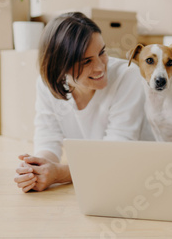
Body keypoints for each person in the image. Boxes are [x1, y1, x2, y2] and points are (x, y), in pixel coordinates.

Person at [14, 12, 153, 192]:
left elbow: (116, 152)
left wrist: (60, 173)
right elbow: (48, 137)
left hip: (138, 173)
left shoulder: (127, 76)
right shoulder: (47, 84)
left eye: (102, 52)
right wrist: (36, 168)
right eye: (86, 61)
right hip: (98, 171)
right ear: (60, 68)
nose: (100, 67)